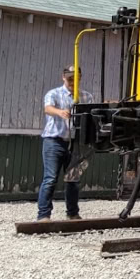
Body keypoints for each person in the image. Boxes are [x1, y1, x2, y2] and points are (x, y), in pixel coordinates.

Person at [37, 65, 92, 221]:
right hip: (54, 141)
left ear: (80, 78)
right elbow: (47, 108)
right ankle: (43, 215)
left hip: (75, 143)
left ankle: (72, 213)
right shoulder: (54, 94)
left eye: (75, 78)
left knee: (73, 179)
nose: (72, 82)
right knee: (50, 178)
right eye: (69, 78)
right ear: (63, 77)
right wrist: (59, 112)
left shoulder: (86, 97)